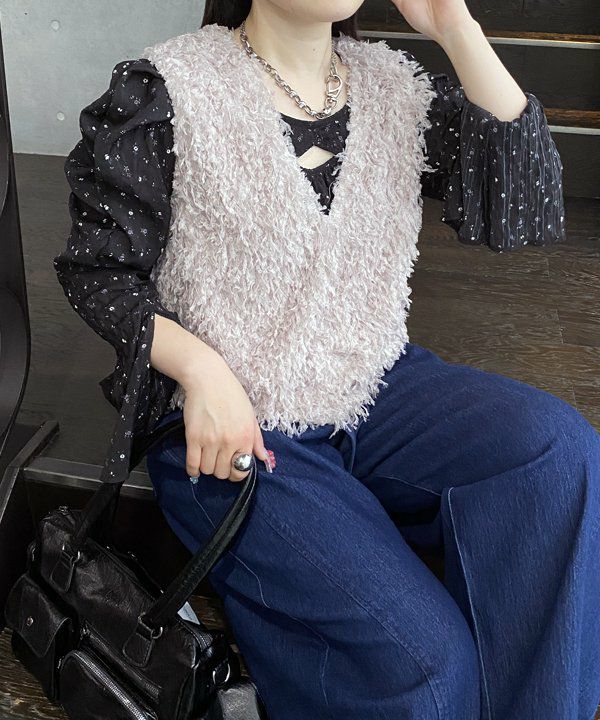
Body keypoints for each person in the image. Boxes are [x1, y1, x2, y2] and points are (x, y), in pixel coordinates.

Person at [53, 1, 600, 719]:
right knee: (426, 668)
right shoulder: (169, 88)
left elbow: (523, 211)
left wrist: (456, 27)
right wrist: (200, 368)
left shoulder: (396, 87)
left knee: (557, 452)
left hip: (370, 384)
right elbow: (98, 272)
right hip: (234, 430)